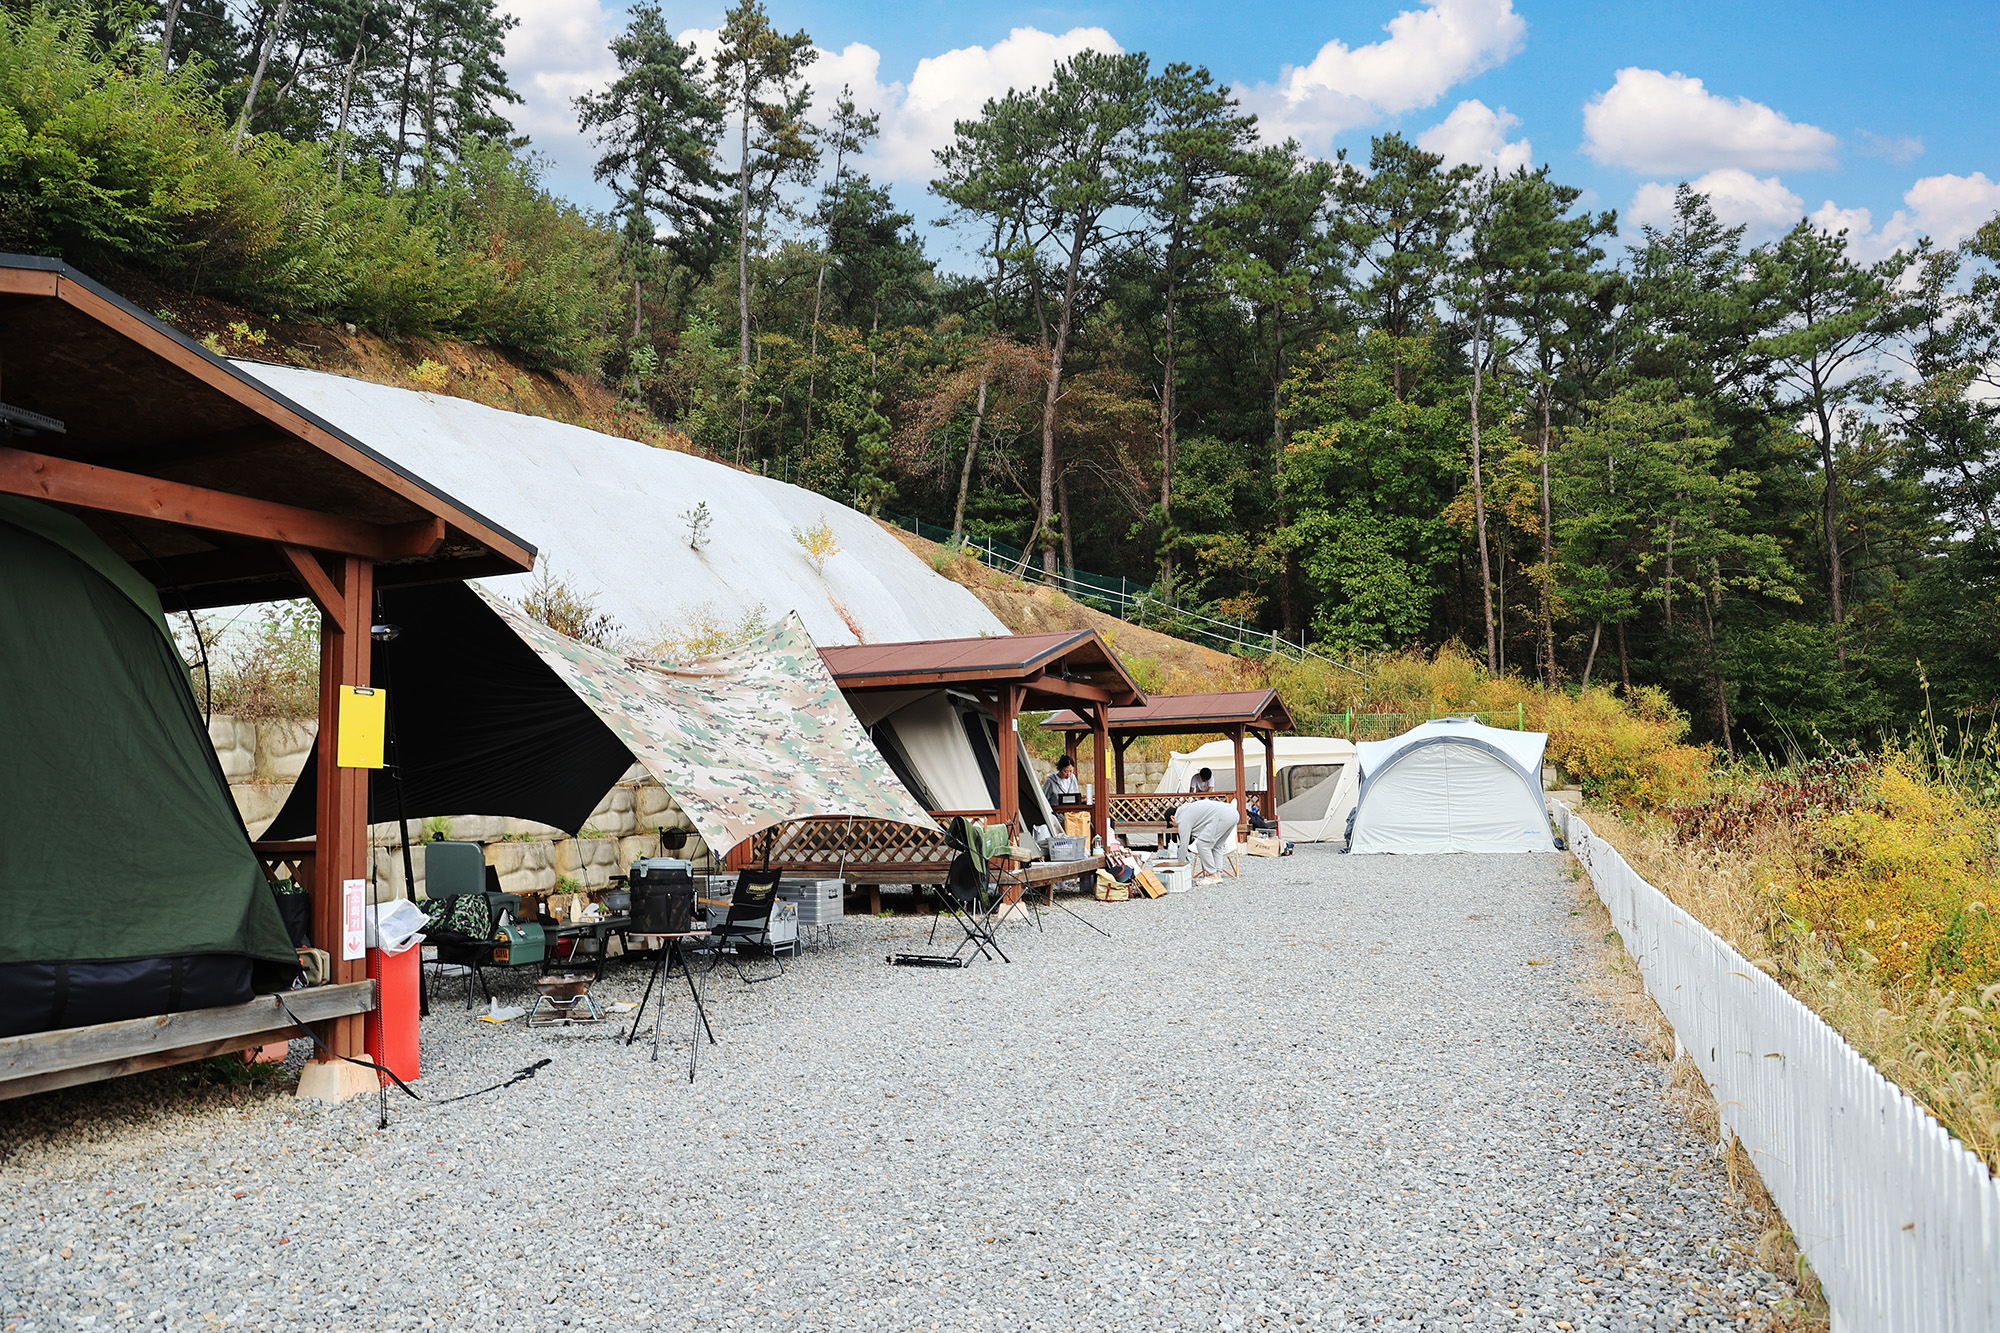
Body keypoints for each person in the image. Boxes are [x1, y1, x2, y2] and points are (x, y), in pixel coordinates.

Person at [1174, 797, 1238, 883]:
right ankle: (1218, 874)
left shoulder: (1182, 818)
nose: (1176, 827)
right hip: (1233, 813)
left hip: (1222, 815)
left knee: (1202, 844)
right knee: (1217, 845)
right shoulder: (1188, 809)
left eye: (1173, 825)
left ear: (1172, 818)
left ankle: (1212, 874)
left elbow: (1183, 845)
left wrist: (1179, 866)